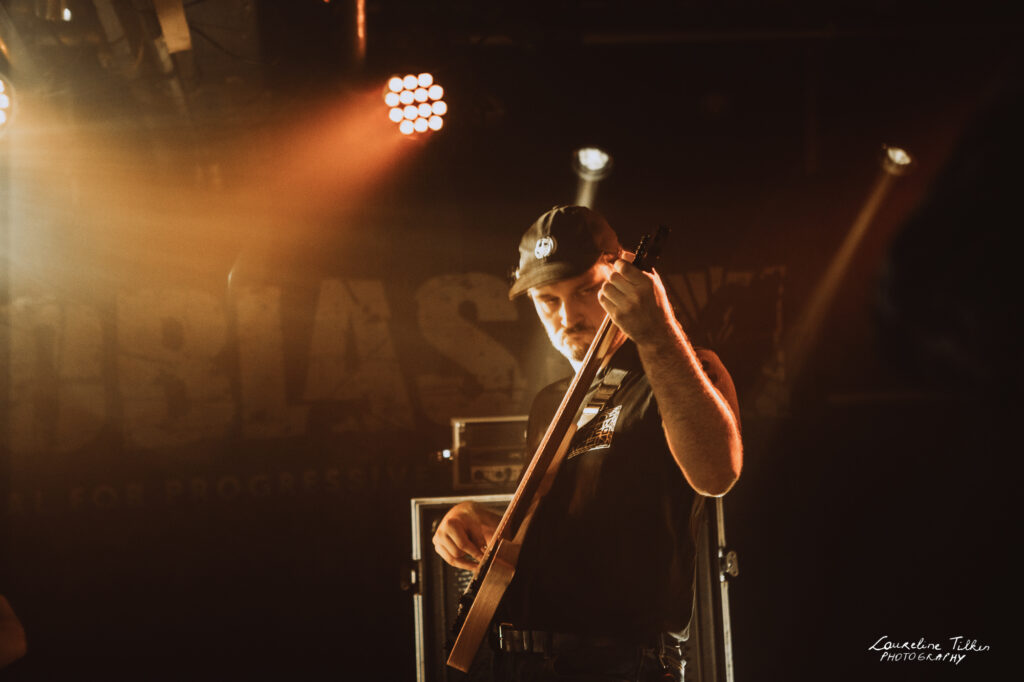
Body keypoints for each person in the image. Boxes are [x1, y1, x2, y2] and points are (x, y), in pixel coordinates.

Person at [432, 205, 742, 681]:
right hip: (523, 663)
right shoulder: (550, 402)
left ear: (620, 277)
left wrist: (658, 335)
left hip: (621, 665)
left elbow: (717, 473)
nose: (568, 316)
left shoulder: (684, 370)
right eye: (547, 300)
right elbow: (568, 537)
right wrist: (478, 520)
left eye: (585, 290)